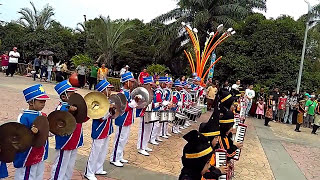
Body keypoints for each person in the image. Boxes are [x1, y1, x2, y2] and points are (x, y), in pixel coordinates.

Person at [51, 80, 88, 180]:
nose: (74, 95)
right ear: (64, 97)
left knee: (70, 165)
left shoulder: (75, 106)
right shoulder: (61, 107)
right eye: (71, 94)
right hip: (65, 141)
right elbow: (59, 119)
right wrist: (69, 111)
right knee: (60, 165)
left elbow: (82, 118)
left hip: (75, 139)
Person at [14, 84, 50, 180]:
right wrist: (31, 132)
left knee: (38, 174)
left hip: (40, 150)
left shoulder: (43, 115)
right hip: (28, 153)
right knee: (26, 175)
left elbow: (46, 131)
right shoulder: (24, 117)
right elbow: (19, 136)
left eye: (44, 102)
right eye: (41, 101)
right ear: (31, 102)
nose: (43, 104)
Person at [84, 80, 114, 180]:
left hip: (106, 129)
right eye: (108, 89)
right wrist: (109, 110)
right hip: (99, 129)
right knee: (95, 151)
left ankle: (98, 168)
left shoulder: (109, 100)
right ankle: (89, 172)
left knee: (103, 150)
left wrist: (113, 110)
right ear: (103, 90)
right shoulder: (96, 102)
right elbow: (100, 117)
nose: (110, 91)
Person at [110, 72, 140, 167]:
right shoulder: (122, 93)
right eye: (130, 82)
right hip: (122, 119)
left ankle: (119, 155)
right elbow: (121, 107)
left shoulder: (129, 93)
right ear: (126, 82)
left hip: (127, 119)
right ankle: (114, 158)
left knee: (124, 139)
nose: (132, 83)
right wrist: (133, 104)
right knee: (119, 139)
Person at [136, 76, 154, 156]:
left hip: (150, 112)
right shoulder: (141, 93)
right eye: (150, 85)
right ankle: (140, 147)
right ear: (146, 84)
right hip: (144, 113)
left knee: (148, 130)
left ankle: (145, 145)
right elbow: (138, 104)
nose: (151, 86)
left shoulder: (151, 92)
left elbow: (152, 103)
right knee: (143, 130)